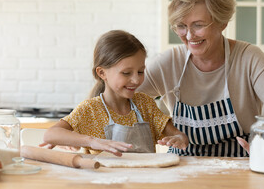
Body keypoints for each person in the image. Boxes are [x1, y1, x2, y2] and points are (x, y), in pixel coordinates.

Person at [137, 0, 264, 157]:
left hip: (239, 171)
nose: (189, 35)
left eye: (198, 25)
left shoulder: (248, 58)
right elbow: (120, 99)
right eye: (181, 26)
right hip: (180, 171)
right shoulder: (169, 62)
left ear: (222, 22)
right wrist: (165, 126)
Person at [42, 30, 189, 156]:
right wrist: (92, 141)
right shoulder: (90, 110)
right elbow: (50, 134)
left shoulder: (145, 104)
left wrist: (179, 138)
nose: (136, 80)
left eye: (140, 71)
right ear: (102, 73)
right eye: (126, 73)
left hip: (143, 181)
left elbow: (177, 134)